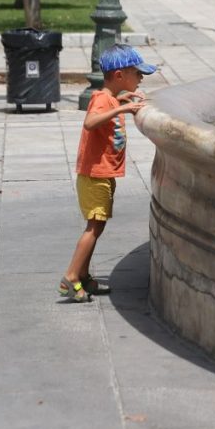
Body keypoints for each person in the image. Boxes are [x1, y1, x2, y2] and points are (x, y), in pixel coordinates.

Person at [59, 43, 156, 302]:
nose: (141, 78)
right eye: (138, 73)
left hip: (103, 174)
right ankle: (70, 276)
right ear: (120, 75)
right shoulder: (102, 99)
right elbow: (90, 122)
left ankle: (84, 277)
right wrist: (121, 108)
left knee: (97, 226)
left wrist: (119, 100)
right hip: (94, 175)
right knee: (93, 228)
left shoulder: (109, 97)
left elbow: (106, 107)